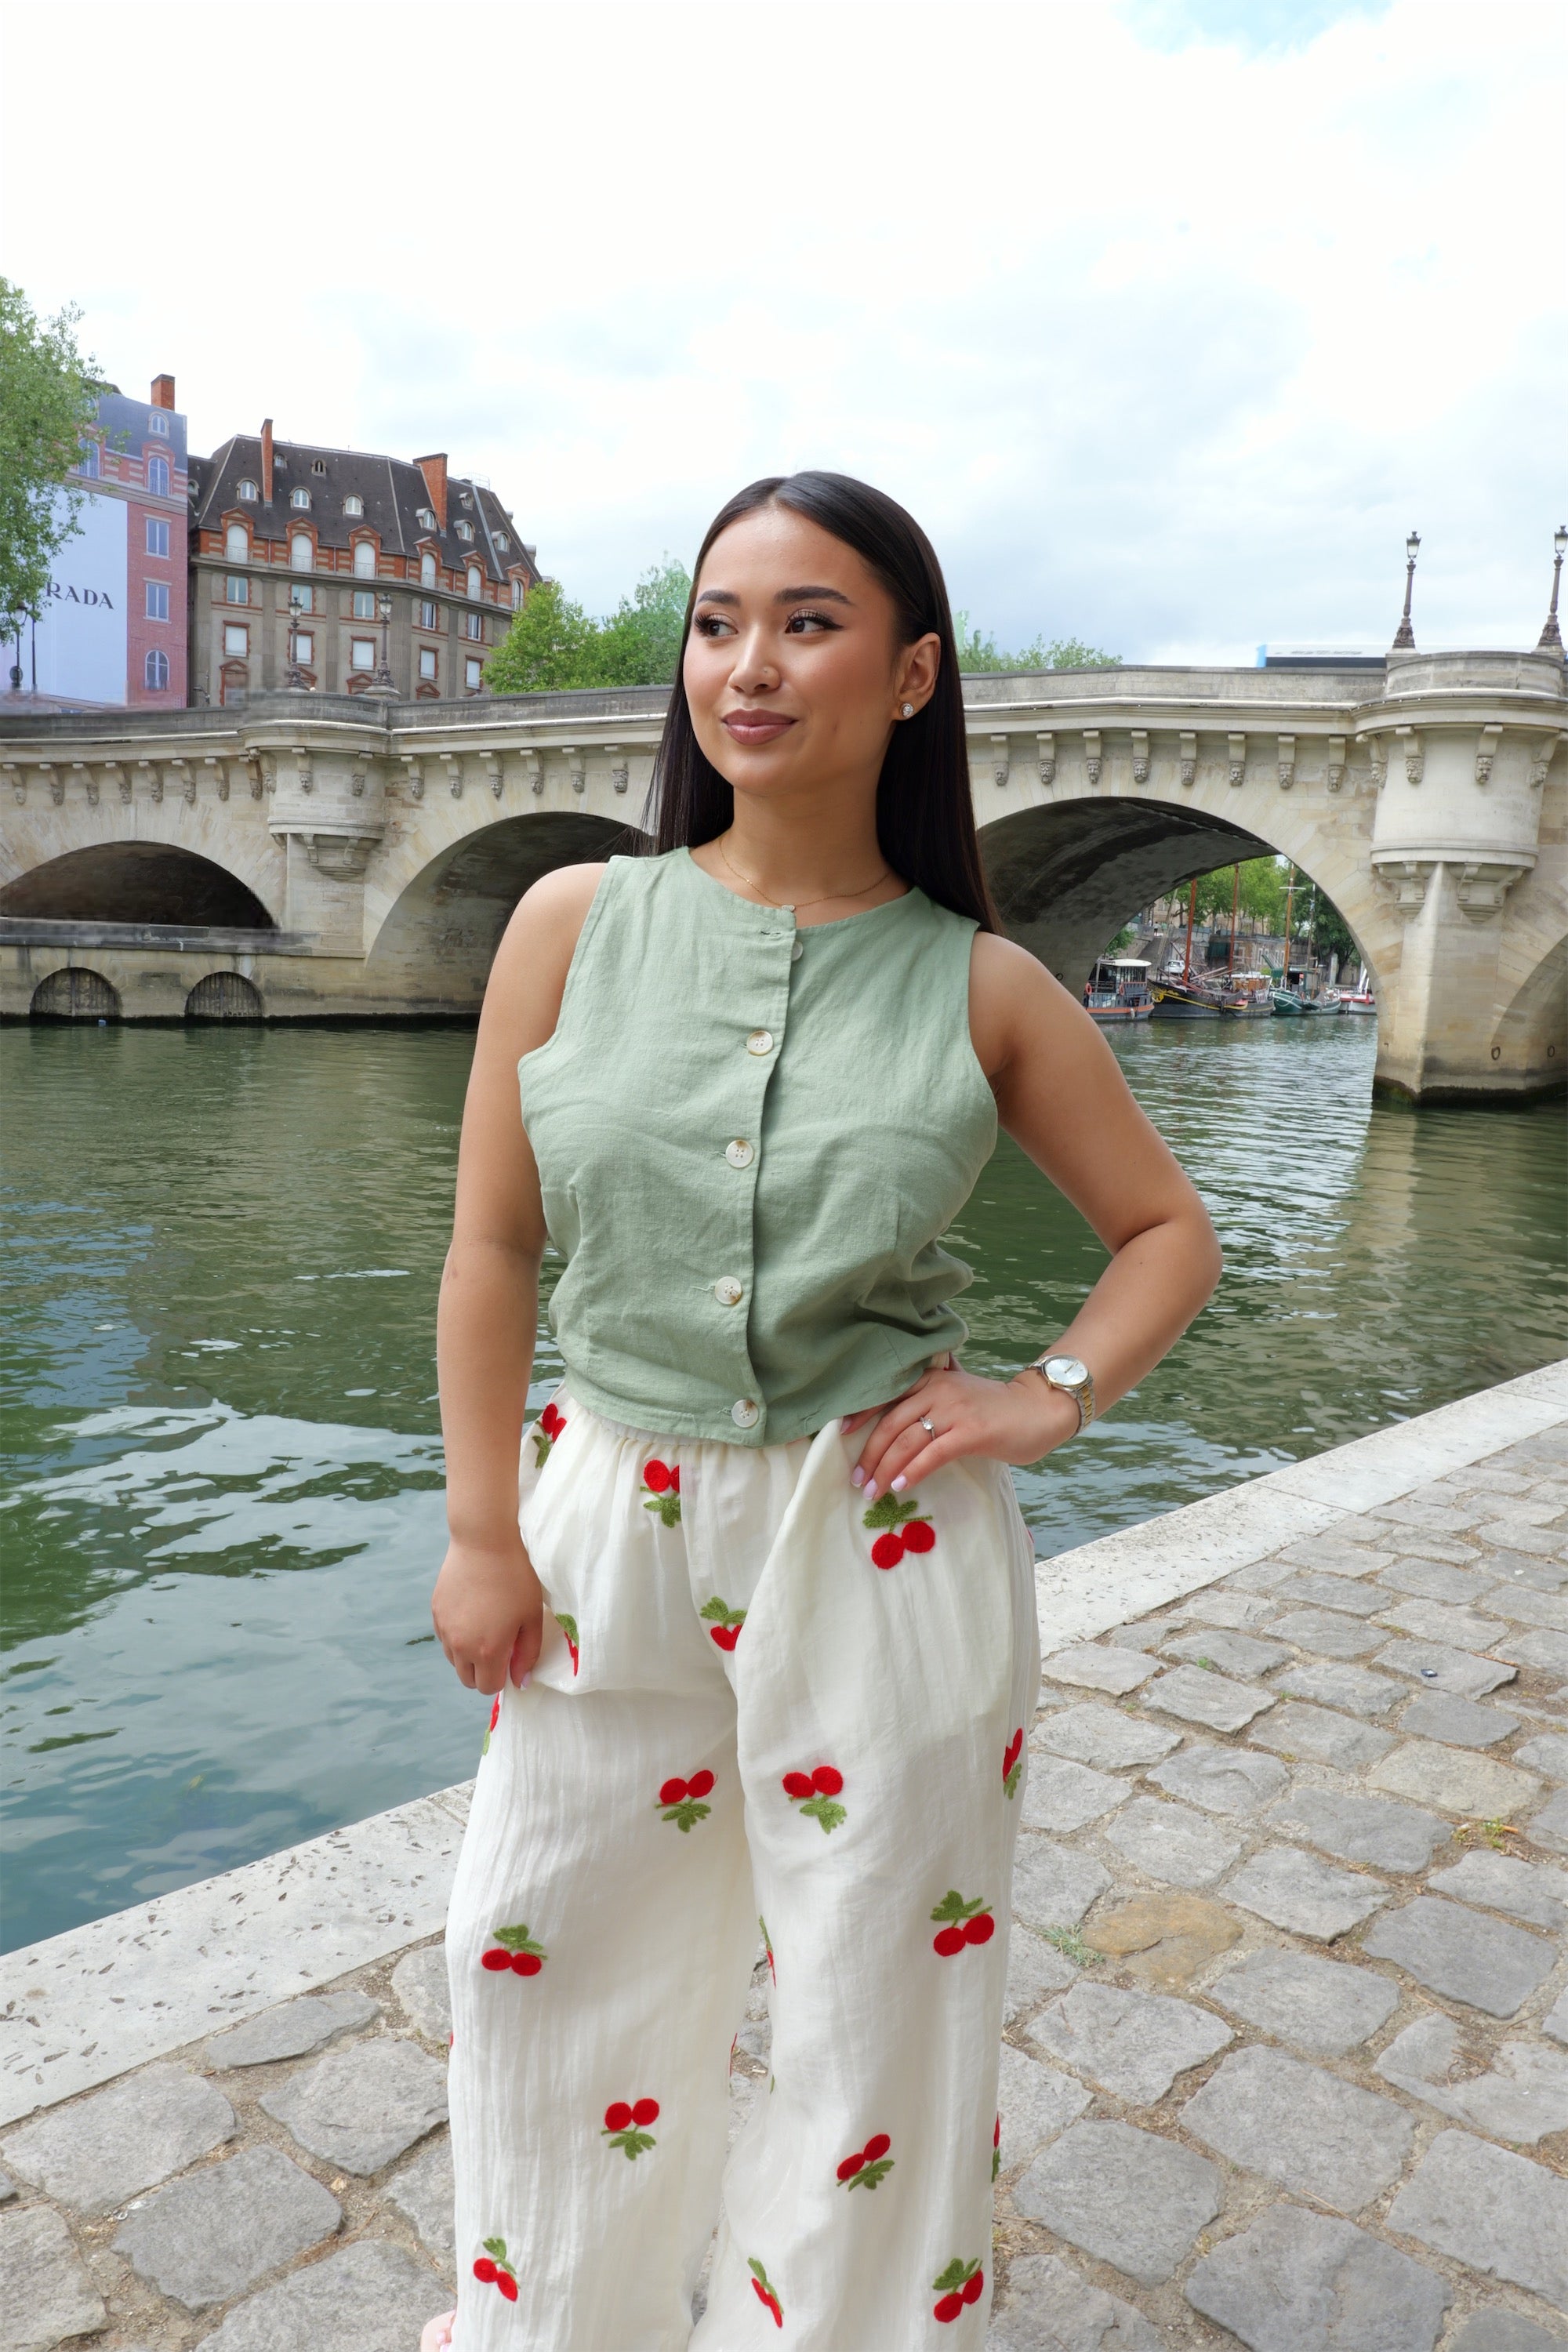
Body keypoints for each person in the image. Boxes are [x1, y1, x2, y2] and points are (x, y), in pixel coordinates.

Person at [422, 472, 1221, 2350]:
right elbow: (486, 1246)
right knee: (536, 1953)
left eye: (804, 620)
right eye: (715, 623)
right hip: (603, 1506)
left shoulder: (982, 983)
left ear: (913, 671)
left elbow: (1165, 1231)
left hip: (884, 1529)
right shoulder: (569, 920)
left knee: (876, 2006)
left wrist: (1044, 1398)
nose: (746, 666)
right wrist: (475, 1529)